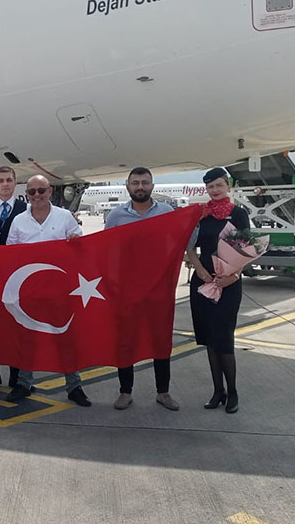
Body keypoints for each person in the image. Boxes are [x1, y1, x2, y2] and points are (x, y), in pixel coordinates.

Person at [6, 175, 92, 407]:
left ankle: (74, 386)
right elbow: (9, 255)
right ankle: (24, 383)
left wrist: (75, 240)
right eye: (32, 192)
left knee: (65, 339)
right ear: (27, 194)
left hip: (60, 291)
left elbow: (81, 246)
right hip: (30, 291)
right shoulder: (18, 221)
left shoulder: (65, 217)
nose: (37, 196)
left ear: (50, 191)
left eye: (41, 191)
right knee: (28, 339)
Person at [104, 167, 178, 411]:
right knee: (125, 341)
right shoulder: (116, 216)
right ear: (128, 187)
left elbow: (182, 239)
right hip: (127, 290)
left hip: (159, 288)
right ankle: (125, 392)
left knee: (161, 339)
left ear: (152, 186)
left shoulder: (166, 212)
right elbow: (105, 249)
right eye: (135, 183)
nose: (140, 187)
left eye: (145, 182)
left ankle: (163, 392)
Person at [187, 167, 249, 414]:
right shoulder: (201, 215)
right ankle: (217, 391)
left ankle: (232, 392)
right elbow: (190, 247)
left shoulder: (238, 214)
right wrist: (200, 270)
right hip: (203, 281)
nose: (214, 190)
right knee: (210, 340)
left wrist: (232, 276)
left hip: (228, 284)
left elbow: (245, 249)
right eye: (210, 186)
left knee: (224, 339)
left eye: (219, 185)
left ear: (228, 187)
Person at [0, 166, 28, 395]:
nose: (5, 184)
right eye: (1, 180)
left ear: (15, 183)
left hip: (16, 278)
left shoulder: (25, 209)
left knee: (16, 327)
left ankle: (16, 376)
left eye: (9, 180)